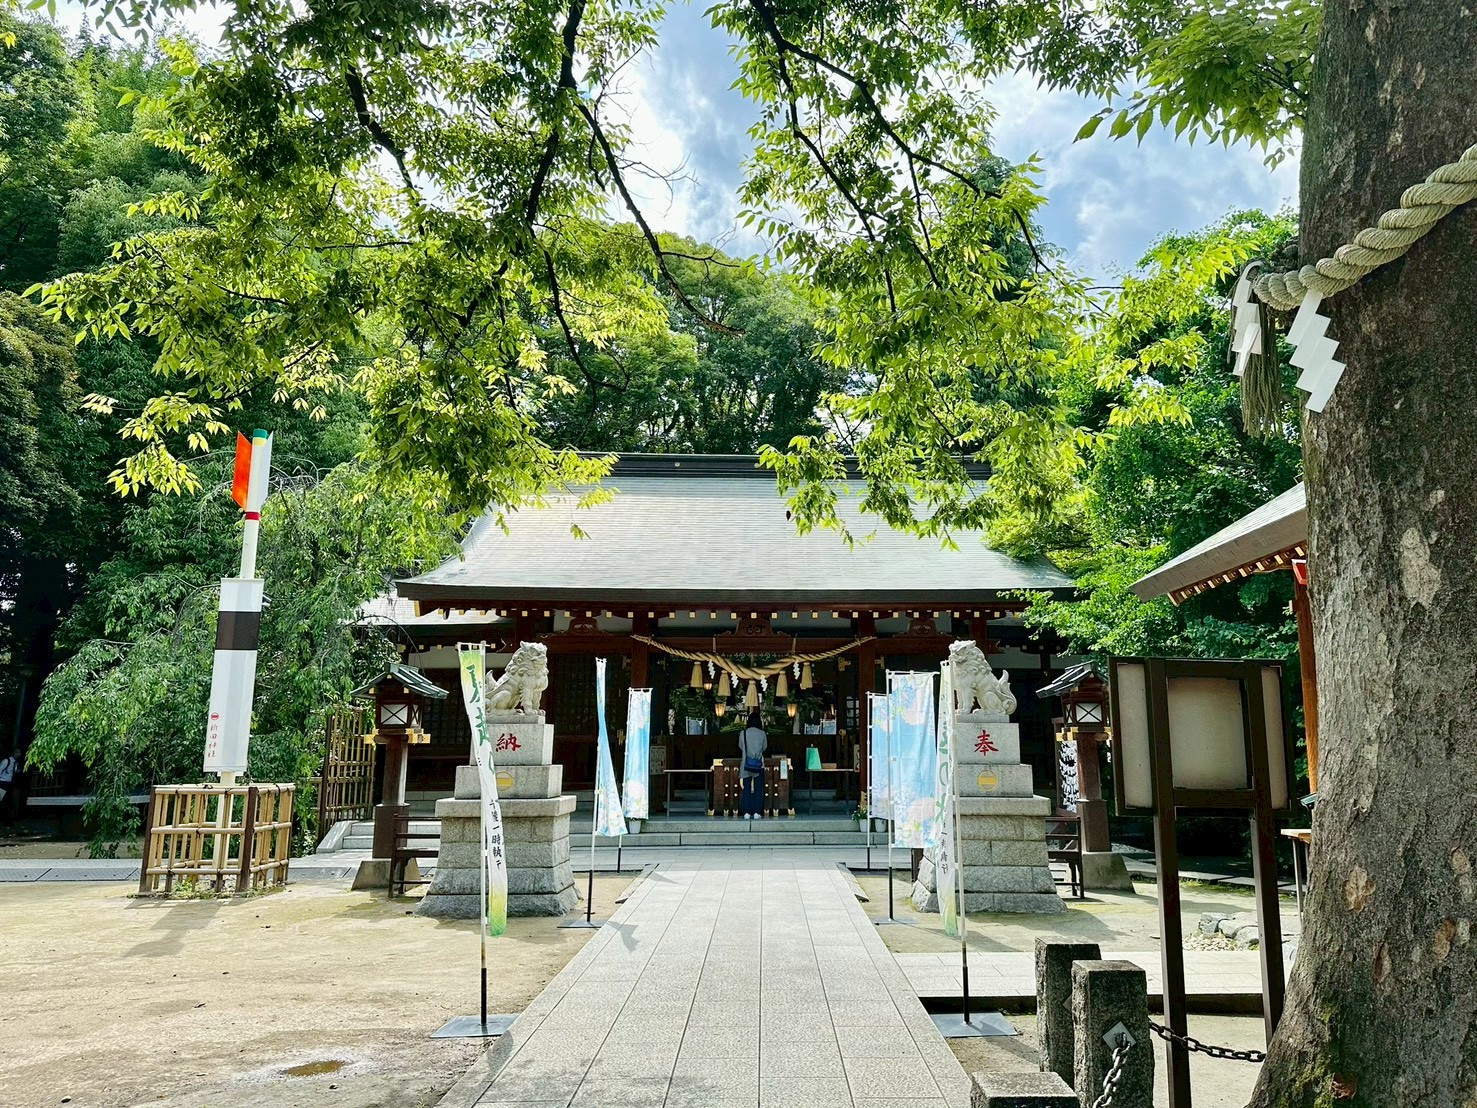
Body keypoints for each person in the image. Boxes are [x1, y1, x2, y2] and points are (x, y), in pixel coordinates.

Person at [737, 710, 767, 820]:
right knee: (758, 788)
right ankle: (757, 812)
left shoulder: (743, 733)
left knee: (747, 788)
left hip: (746, 763)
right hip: (758, 764)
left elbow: (740, 746)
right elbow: (764, 747)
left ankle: (746, 812)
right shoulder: (762, 733)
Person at [0, 749, 17, 822]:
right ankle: (6, 819)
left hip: (9, 783)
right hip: (3, 783)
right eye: (16, 752)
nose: (18, 754)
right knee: (4, 801)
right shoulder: (7, 761)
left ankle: (6, 819)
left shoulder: (15, 762)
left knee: (6, 801)